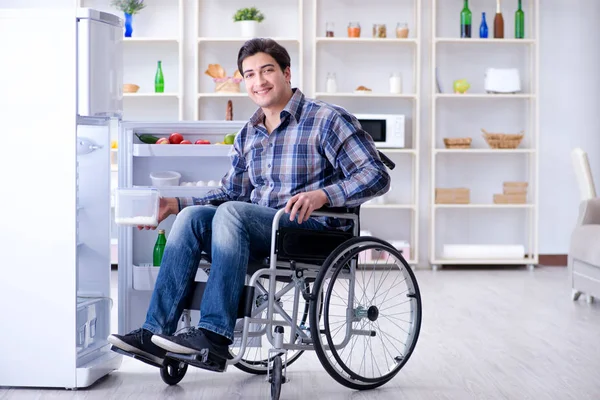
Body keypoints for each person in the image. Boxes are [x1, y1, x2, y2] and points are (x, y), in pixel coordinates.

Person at [107, 38, 391, 369]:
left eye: (267, 71)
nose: (259, 82)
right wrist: (174, 203)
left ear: (287, 72)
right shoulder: (249, 133)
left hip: (312, 231)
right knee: (192, 218)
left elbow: (376, 175)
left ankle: (213, 336)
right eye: (250, 75)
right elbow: (231, 192)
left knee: (231, 214)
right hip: (259, 229)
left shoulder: (326, 119)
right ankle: (154, 333)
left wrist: (323, 195)